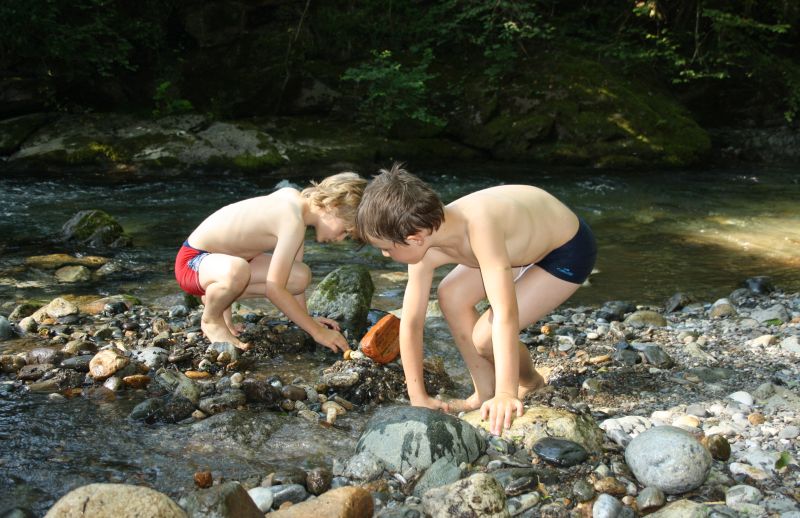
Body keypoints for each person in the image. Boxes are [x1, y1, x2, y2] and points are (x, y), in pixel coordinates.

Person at [355, 164, 596, 435]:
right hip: (518, 242)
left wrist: (507, 393)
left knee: (485, 337)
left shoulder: (478, 228)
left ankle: (529, 382)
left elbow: (505, 314)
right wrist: (417, 396)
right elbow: (411, 323)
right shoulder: (427, 238)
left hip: (565, 250)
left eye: (387, 249)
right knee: (451, 294)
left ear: (415, 238)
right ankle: (484, 392)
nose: (385, 255)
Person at [175, 172, 367, 353]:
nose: (341, 238)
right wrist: (318, 333)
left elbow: (290, 283)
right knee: (238, 270)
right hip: (194, 261)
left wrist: (307, 320)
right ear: (333, 206)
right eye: (345, 231)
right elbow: (275, 289)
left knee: (299, 276)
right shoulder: (291, 219)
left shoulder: (294, 201)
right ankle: (211, 320)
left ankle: (215, 298)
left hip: (222, 264)